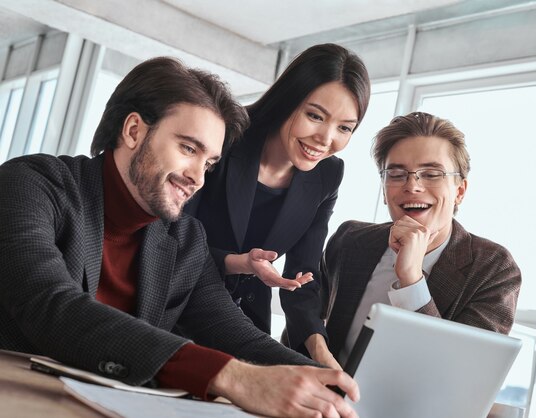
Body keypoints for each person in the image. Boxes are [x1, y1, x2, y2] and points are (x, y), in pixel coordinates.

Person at [0, 57, 360, 418]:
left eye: (208, 163)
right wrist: (233, 377)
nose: (197, 178)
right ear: (134, 130)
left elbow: (232, 332)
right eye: (188, 149)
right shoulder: (32, 184)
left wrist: (329, 386)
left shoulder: (184, 238)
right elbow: (49, 305)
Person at [185, 43, 371, 369]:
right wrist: (237, 262)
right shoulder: (225, 134)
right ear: (289, 100)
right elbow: (169, 238)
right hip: (177, 301)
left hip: (245, 324)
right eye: (315, 116)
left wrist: (321, 354)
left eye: (344, 127)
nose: (326, 139)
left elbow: (302, 278)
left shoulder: (328, 175)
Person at [320, 111, 521, 365]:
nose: (412, 186)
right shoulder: (349, 240)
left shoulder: (493, 268)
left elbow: (461, 373)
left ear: (459, 191)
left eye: (431, 174)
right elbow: (305, 330)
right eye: (396, 174)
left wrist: (411, 280)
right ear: (384, 190)